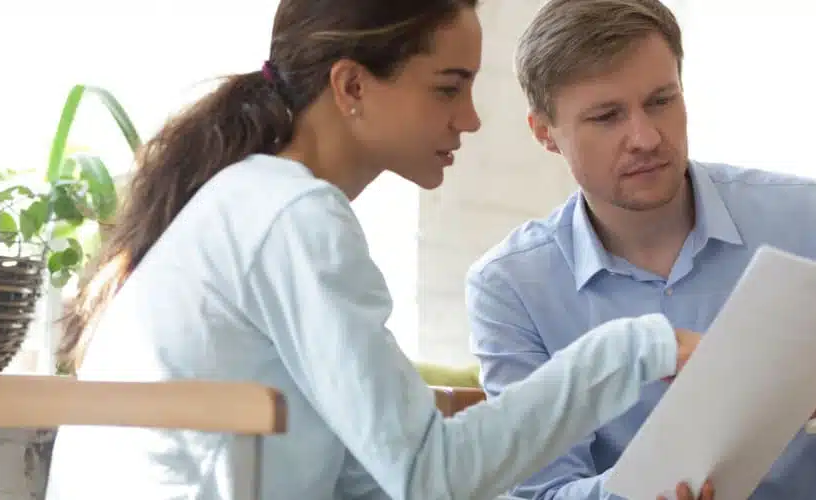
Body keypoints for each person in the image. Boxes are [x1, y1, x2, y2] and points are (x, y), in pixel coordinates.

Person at [42, 1, 713, 499]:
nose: (470, 118)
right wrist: (639, 349)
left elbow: (379, 479)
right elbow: (428, 475)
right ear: (352, 87)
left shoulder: (256, 199)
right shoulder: (291, 215)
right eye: (448, 87)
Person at [466, 0, 816, 499]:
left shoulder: (808, 219)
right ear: (545, 133)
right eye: (606, 116)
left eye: (661, 100)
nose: (645, 137)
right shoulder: (511, 288)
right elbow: (546, 492)